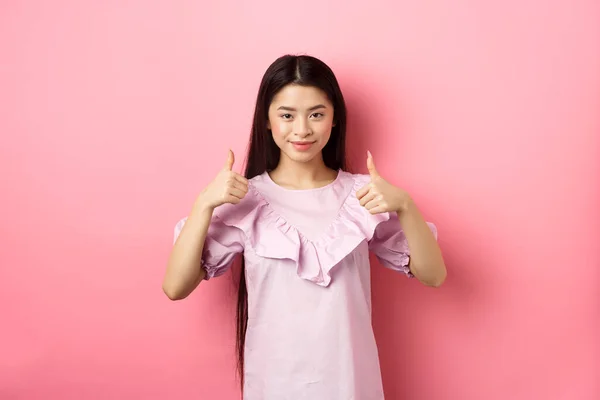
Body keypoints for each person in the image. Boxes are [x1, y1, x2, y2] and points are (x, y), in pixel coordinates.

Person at [162, 54, 446, 399]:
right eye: (286, 115)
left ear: (334, 118)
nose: (302, 130)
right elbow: (175, 287)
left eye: (316, 114)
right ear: (266, 120)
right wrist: (203, 203)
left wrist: (405, 204)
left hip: (351, 384)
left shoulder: (363, 195)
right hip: (275, 384)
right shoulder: (245, 199)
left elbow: (433, 275)